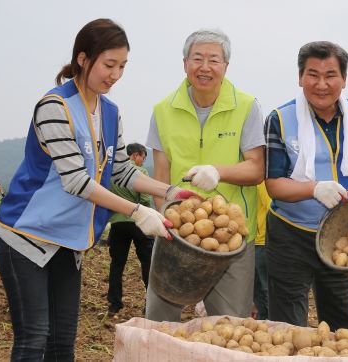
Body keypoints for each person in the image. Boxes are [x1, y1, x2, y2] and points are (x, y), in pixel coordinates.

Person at [0, 19, 197, 361]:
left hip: (68, 241)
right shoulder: (54, 107)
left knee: (62, 342)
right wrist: (136, 210)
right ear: (83, 58)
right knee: (34, 338)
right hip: (26, 236)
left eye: (122, 66)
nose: (115, 75)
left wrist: (171, 190)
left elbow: (120, 170)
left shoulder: (110, 111)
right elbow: (75, 181)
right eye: (109, 65)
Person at [264, 41, 348, 331]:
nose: (321, 84)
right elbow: (273, 185)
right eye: (312, 74)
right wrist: (313, 189)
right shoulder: (280, 119)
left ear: (344, 79)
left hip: (344, 237)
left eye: (330, 75)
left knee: (341, 325)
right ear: (300, 77)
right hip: (290, 234)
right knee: (286, 328)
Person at [145, 28, 265, 321]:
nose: (205, 67)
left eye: (214, 60)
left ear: (226, 66)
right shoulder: (163, 110)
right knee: (160, 317)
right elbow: (160, 175)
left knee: (230, 323)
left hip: (232, 236)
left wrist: (218, 172)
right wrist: (165, 222)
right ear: (185, 63)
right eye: (197, 58)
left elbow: (257, 168)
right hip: (178, 230)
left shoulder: (246, 106)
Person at [106, 143, 154, 316]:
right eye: (143, 157)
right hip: (138, 221)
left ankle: (114, 304)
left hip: (118, 222)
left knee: (117, 264)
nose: (142, 161)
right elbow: (147, 198)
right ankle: (150, 303)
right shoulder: (141, 173)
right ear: (135, 155)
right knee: (148, 263)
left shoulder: (112, 173)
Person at [253, 182, 271, 320]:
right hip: (256, 240)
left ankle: (269, 321)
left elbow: (271, 206)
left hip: (263, 241)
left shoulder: (263, 181)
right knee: (258, 291)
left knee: (266, 290)